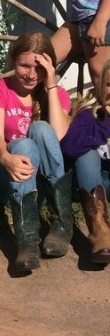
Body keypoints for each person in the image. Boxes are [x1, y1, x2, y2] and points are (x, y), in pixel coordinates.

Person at [0, 33, 72, 273]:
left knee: (42, 128)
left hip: (44, 181)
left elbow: (60, 137)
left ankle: (61, 225)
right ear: (13, 61)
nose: (31, 74)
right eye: (24, 65)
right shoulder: (0, 89)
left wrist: (51, 83)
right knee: (23, 145)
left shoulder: (56, 93)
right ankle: (28, 240)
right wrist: (5, 158)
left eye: (39, 68)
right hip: (10, 175)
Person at [61, 58, 110, 264]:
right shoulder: (89, 113)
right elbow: (70, 147)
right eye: (109, 83)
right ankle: (99, 229)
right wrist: (106, 121)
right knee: (86, 153)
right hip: (91, 182)